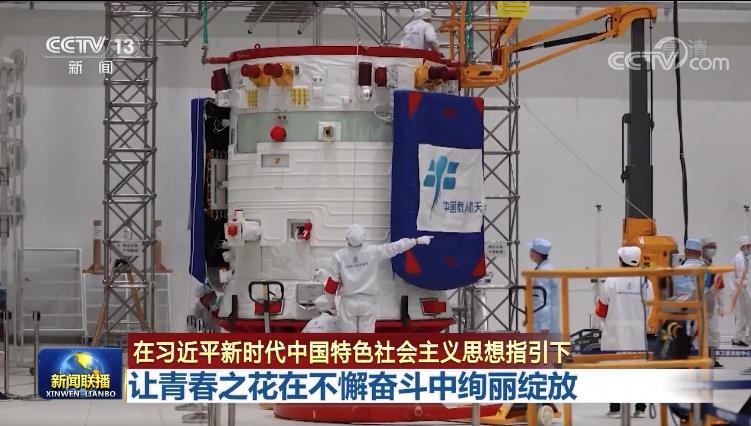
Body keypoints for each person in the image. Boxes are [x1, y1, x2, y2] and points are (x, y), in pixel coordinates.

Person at [325, 224, 433, 333]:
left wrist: (332, 306)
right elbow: (395, 247)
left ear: (347, 238)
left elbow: (331, 286)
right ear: (363, 237)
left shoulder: (339, 256)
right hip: (368, 302)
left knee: (348, 339)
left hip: (348, 303)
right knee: (366, 339)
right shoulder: (372, 251)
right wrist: (416, 241)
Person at [595, 246, 650, 418]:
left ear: (621, 261)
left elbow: (601, 309)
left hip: (615, 332)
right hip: (637, 332)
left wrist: (606, 321)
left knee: (614, 368)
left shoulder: (611, 280)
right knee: (639, 369)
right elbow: (651, 305)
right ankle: (640, 407)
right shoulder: (645, 281)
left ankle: (615, 407)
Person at [702, 237, 724, 367]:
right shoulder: (697, 266)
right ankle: (700, 357)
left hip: (712, 305)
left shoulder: (715, 269)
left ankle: (713, 358)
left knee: (713, 333)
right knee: (698, 332)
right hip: (698, 305)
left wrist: (721, 305)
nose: (712, 249)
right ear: (702, 249)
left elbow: (720, 289)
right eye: (710, 246)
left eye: (714, 246)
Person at [529, 238, 559, 335]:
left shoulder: (543, 272)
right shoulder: (547, 268)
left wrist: (544, 324)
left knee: (542, 344)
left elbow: (544, 299)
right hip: (545, 318)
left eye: (531, 251)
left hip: (542, 322)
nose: (530, 253)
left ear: (537, 254)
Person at [731, 236, 751, 346]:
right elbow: (741, 275)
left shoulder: (743, 257)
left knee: (744, 314)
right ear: (742, 247)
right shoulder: (739, 257)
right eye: (748, 246)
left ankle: (739, 337)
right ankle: (738, 338)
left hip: (740, 289)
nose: (749, 248)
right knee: (741, 315)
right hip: (739, 289)